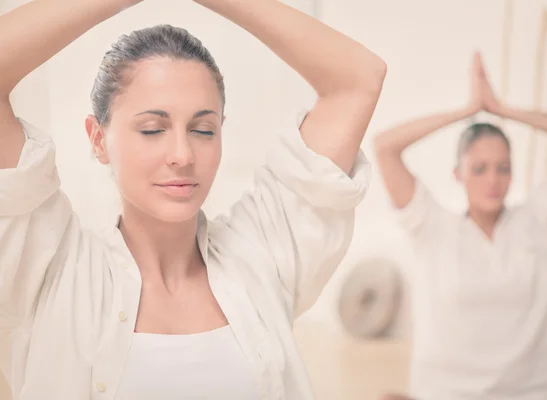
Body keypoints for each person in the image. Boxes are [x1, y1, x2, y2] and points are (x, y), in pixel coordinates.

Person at [0, 0, 387, 398]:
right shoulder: (52, 269)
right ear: (99, 139)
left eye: (203, 130)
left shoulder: (262, 252)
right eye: (152, 129)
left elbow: (359, 79)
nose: (183, 155)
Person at [374, 52, 547, 400]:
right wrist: (466, 111)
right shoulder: (431, 226)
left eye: (503, 167)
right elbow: (384, 146)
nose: (493, 179)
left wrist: (504, 110)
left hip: (541, 393)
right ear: (458, 174)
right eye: (479, 168)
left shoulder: (539, 217)